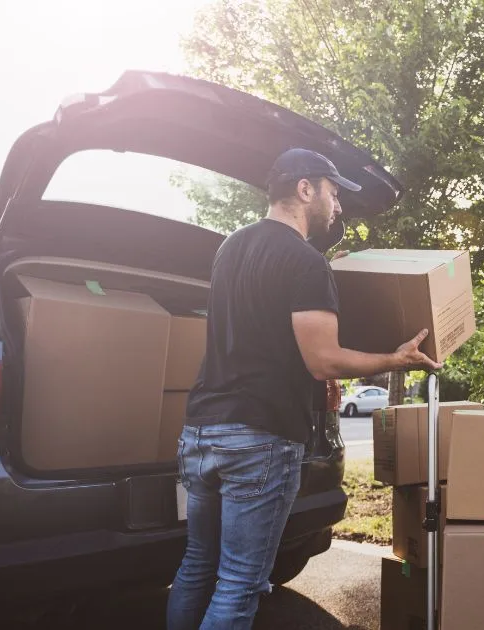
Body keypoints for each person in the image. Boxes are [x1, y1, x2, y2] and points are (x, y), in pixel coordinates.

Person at [166, 148, 440, 630]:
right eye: (334, 193)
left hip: (201, 432)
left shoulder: (231, 247)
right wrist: (395, 358)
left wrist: (321, 385)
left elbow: (264, 336)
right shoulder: (306, 263)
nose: (338, 207)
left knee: (196, 567)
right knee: (239, 582)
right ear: (305, 188)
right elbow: (323, 358)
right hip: (258, 439)